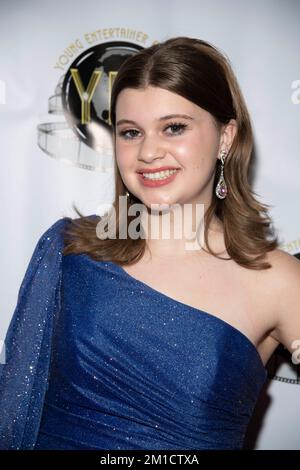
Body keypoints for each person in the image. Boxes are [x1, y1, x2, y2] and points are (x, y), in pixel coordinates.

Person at [1, 36, 300, 450]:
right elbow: (14, 410)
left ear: (226, 137)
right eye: (130, 132)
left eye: (173, 128)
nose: (148, 152)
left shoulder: (277, 279)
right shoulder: (71, 251)